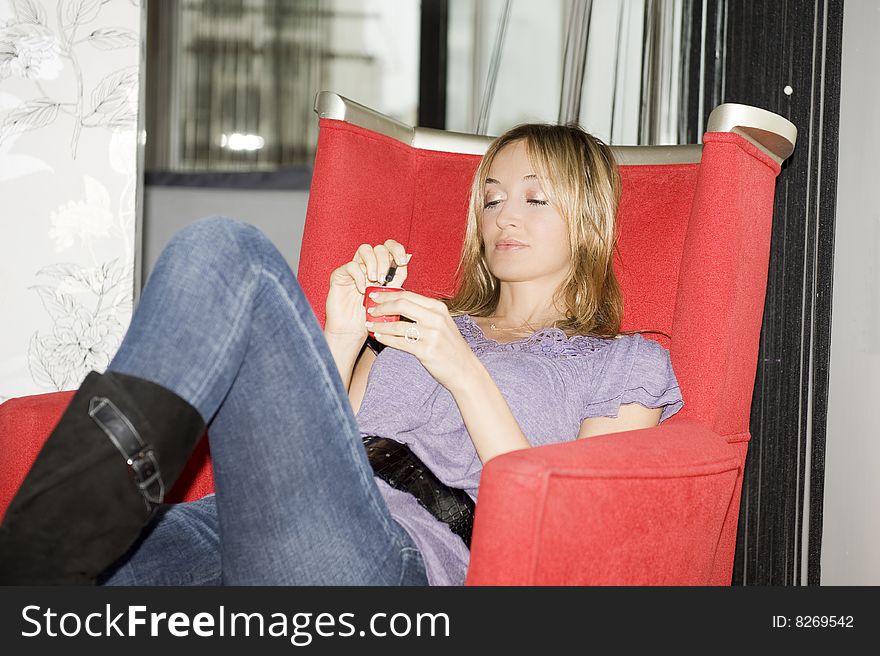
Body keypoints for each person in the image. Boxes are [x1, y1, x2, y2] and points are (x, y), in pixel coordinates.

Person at [0, 123, 682, 586]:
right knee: (57, 585)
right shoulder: (427, 322)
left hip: (394, 560)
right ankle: (49, 538)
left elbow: (570, 539)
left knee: (231, 252)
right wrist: (346, 330)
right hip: (247, 523)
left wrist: (466, 374)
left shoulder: (624, 363)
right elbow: (317, 442)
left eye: (535, 198)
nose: (504, 214)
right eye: (493, 197)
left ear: (588, 219)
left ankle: (50, 531)